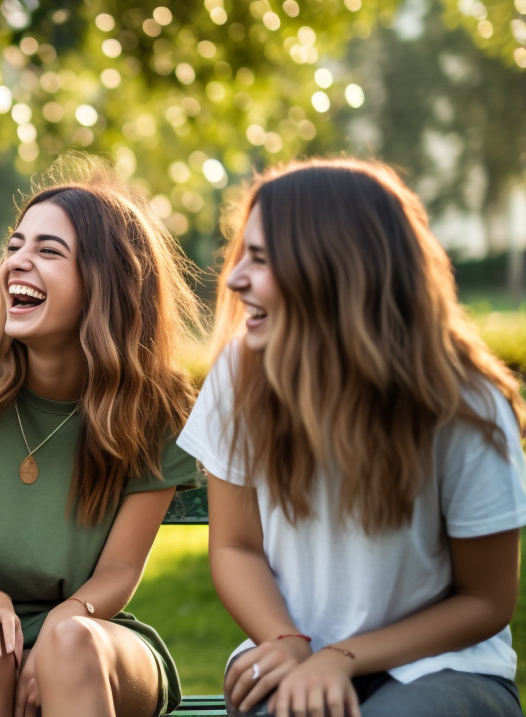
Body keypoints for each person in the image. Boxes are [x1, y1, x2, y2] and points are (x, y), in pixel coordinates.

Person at [177, 158, 526, 717]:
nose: (235, 277)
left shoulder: (464, 404)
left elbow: (485, 600)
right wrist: (290, 644)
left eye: (260, 260)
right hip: (291, 652)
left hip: (443, 669)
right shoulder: (241, 372)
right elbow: (236, 547)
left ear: (333, 267)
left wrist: (341, 657)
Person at [0, 157, 202, 717]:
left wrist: (61, 626)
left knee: (69, 647)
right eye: (14, 247)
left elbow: (120, 571)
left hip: (92, 627)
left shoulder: (156, 404)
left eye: (48, 251)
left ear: (106, 283)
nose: (16, 265)